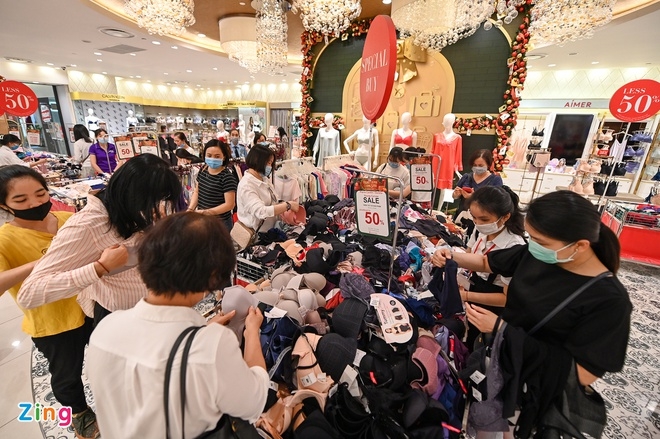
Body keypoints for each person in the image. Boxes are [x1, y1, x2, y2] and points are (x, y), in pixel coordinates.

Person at [431, 191, 631, 433]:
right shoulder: (541, 255)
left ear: (580, 245)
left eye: (541, 241)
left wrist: (502, 330)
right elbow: (487, 263)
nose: (532, 245)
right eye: (531, 237)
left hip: (535, 390)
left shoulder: (608, 300)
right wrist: (453, 256)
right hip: (501, 368)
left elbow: (583, 374)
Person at [87, 212, 269, 438]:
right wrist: (252, 332)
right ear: (213, 277)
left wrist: (199, 332)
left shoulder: (105, 331)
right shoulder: (211, 345)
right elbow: (252, 403)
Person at [18, 154, 183, 326]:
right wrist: (100, 267)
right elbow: (29, 293)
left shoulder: (126, 210)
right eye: (154, 200)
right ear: (134, 195)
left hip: (145, 306)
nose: (156, 205)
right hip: (116, 317)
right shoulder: (87, 225)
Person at [0, 165, 99, 439]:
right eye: (20, 200)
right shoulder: (5, 240)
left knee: (105, 355)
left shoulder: (70, 219)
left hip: (91, 307)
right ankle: (79, 413)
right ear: (4, 205)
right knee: (66, 375)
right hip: (52, 321)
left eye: (41, 194)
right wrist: (42, 262)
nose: (34, 203)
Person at [458, 185, 526, 349]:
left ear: (505, 217)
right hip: (471, 291)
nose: (478, 223)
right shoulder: (479, 230)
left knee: (479, 348)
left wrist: (467, 296)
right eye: (474, 217)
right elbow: (469, 255)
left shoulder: (514, 247)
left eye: (484, 219)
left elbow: (505, 299)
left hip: (490, 307)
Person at [236, 144, 299, 233]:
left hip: (268, 231)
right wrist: (288, 205)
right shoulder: (246, 185)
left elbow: (273, 200)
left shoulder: (264, 179)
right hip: (255, 235)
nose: (270, 166)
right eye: (268, 162)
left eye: (271, 163)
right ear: (257, 160)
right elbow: (261, 211)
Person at [187, 139, 238, 232]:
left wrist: (206, 212)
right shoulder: (203, 169)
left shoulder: (227, 177)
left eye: (217, 156)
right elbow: (197, 191)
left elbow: (230, 204)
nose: (213, 159)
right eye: (209, 155)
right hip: (203, 220)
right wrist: (190, 209)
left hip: (220, 223)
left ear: (224, 156)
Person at [452, 149, 503, 219]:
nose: (477, 168)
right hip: (462, 216)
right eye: (475, 165)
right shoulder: (466, 177)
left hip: (482, 219)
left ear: (488, 165)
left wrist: (474, 197)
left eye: (480, 165)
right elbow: (454, 196)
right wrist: (456, 194)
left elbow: (497, 201)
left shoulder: (495, 180)